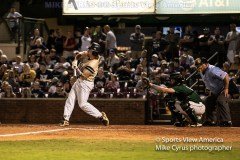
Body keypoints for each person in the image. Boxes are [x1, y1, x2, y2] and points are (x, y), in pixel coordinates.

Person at [60, 42, 109, 126]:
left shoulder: (93, 63)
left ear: (94, 52)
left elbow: (83, 75)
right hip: (79, 81)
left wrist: (76, 67)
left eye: (90, 50)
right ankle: (66, 119)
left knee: (82, 104)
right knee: (70, 99)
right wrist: (75, 60)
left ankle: (100, 116)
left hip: (86, 83)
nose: (88, 51)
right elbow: (79, 55)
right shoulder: (91, 54)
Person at [195, 57, 232, 127]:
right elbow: (209, 82)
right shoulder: (201, 71)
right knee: (208, 101)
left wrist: (226, 88)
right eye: (197, 65)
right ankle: (210, 121)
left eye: (200, 65)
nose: (198, 67)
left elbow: (226, 76)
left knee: (221, 100)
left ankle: (227, 121)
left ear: (206, 64)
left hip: (227, 86)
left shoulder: (212, 69)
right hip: (217, 90)